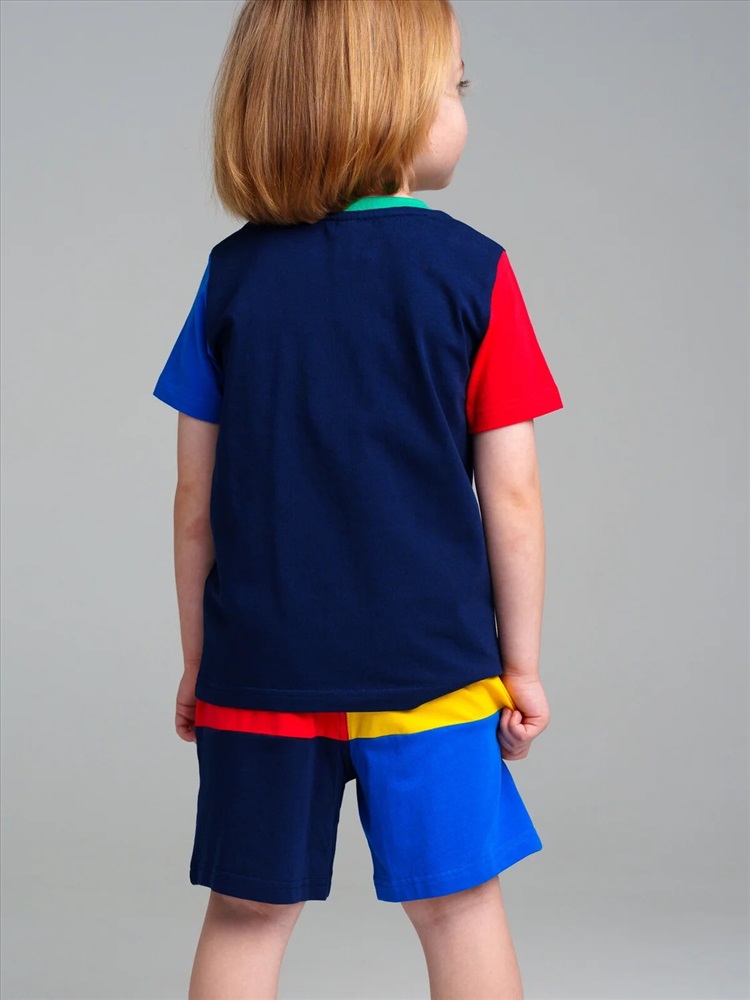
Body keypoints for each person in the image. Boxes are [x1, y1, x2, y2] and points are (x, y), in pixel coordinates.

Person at [152, 1, 563, 997]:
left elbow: (195, 501)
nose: (464, 106)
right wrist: (520, 665)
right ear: (397, 107)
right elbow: (512, 495)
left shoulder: (230, 278)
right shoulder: (475, 272)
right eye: (455, 87)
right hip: (431, 668)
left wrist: (201, 663)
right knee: (459, 907)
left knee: (246, 916)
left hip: (260, 669)